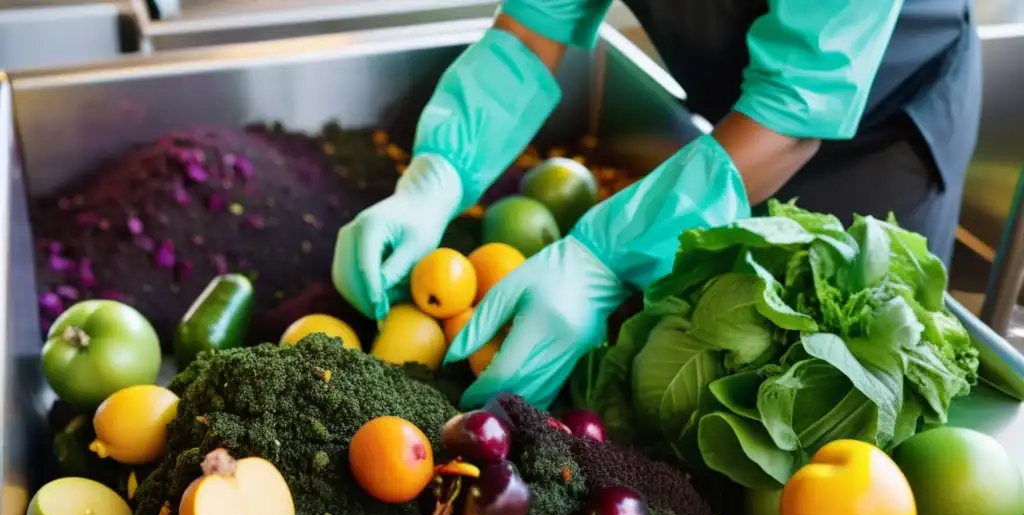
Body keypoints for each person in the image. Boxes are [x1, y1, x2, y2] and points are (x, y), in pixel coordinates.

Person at [332, 0, 981, 409]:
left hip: (880, 134)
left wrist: (602, 257)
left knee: (827, 386)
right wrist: (439, 171)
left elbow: (791, 111)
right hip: (736, 116)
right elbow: (535, 29)